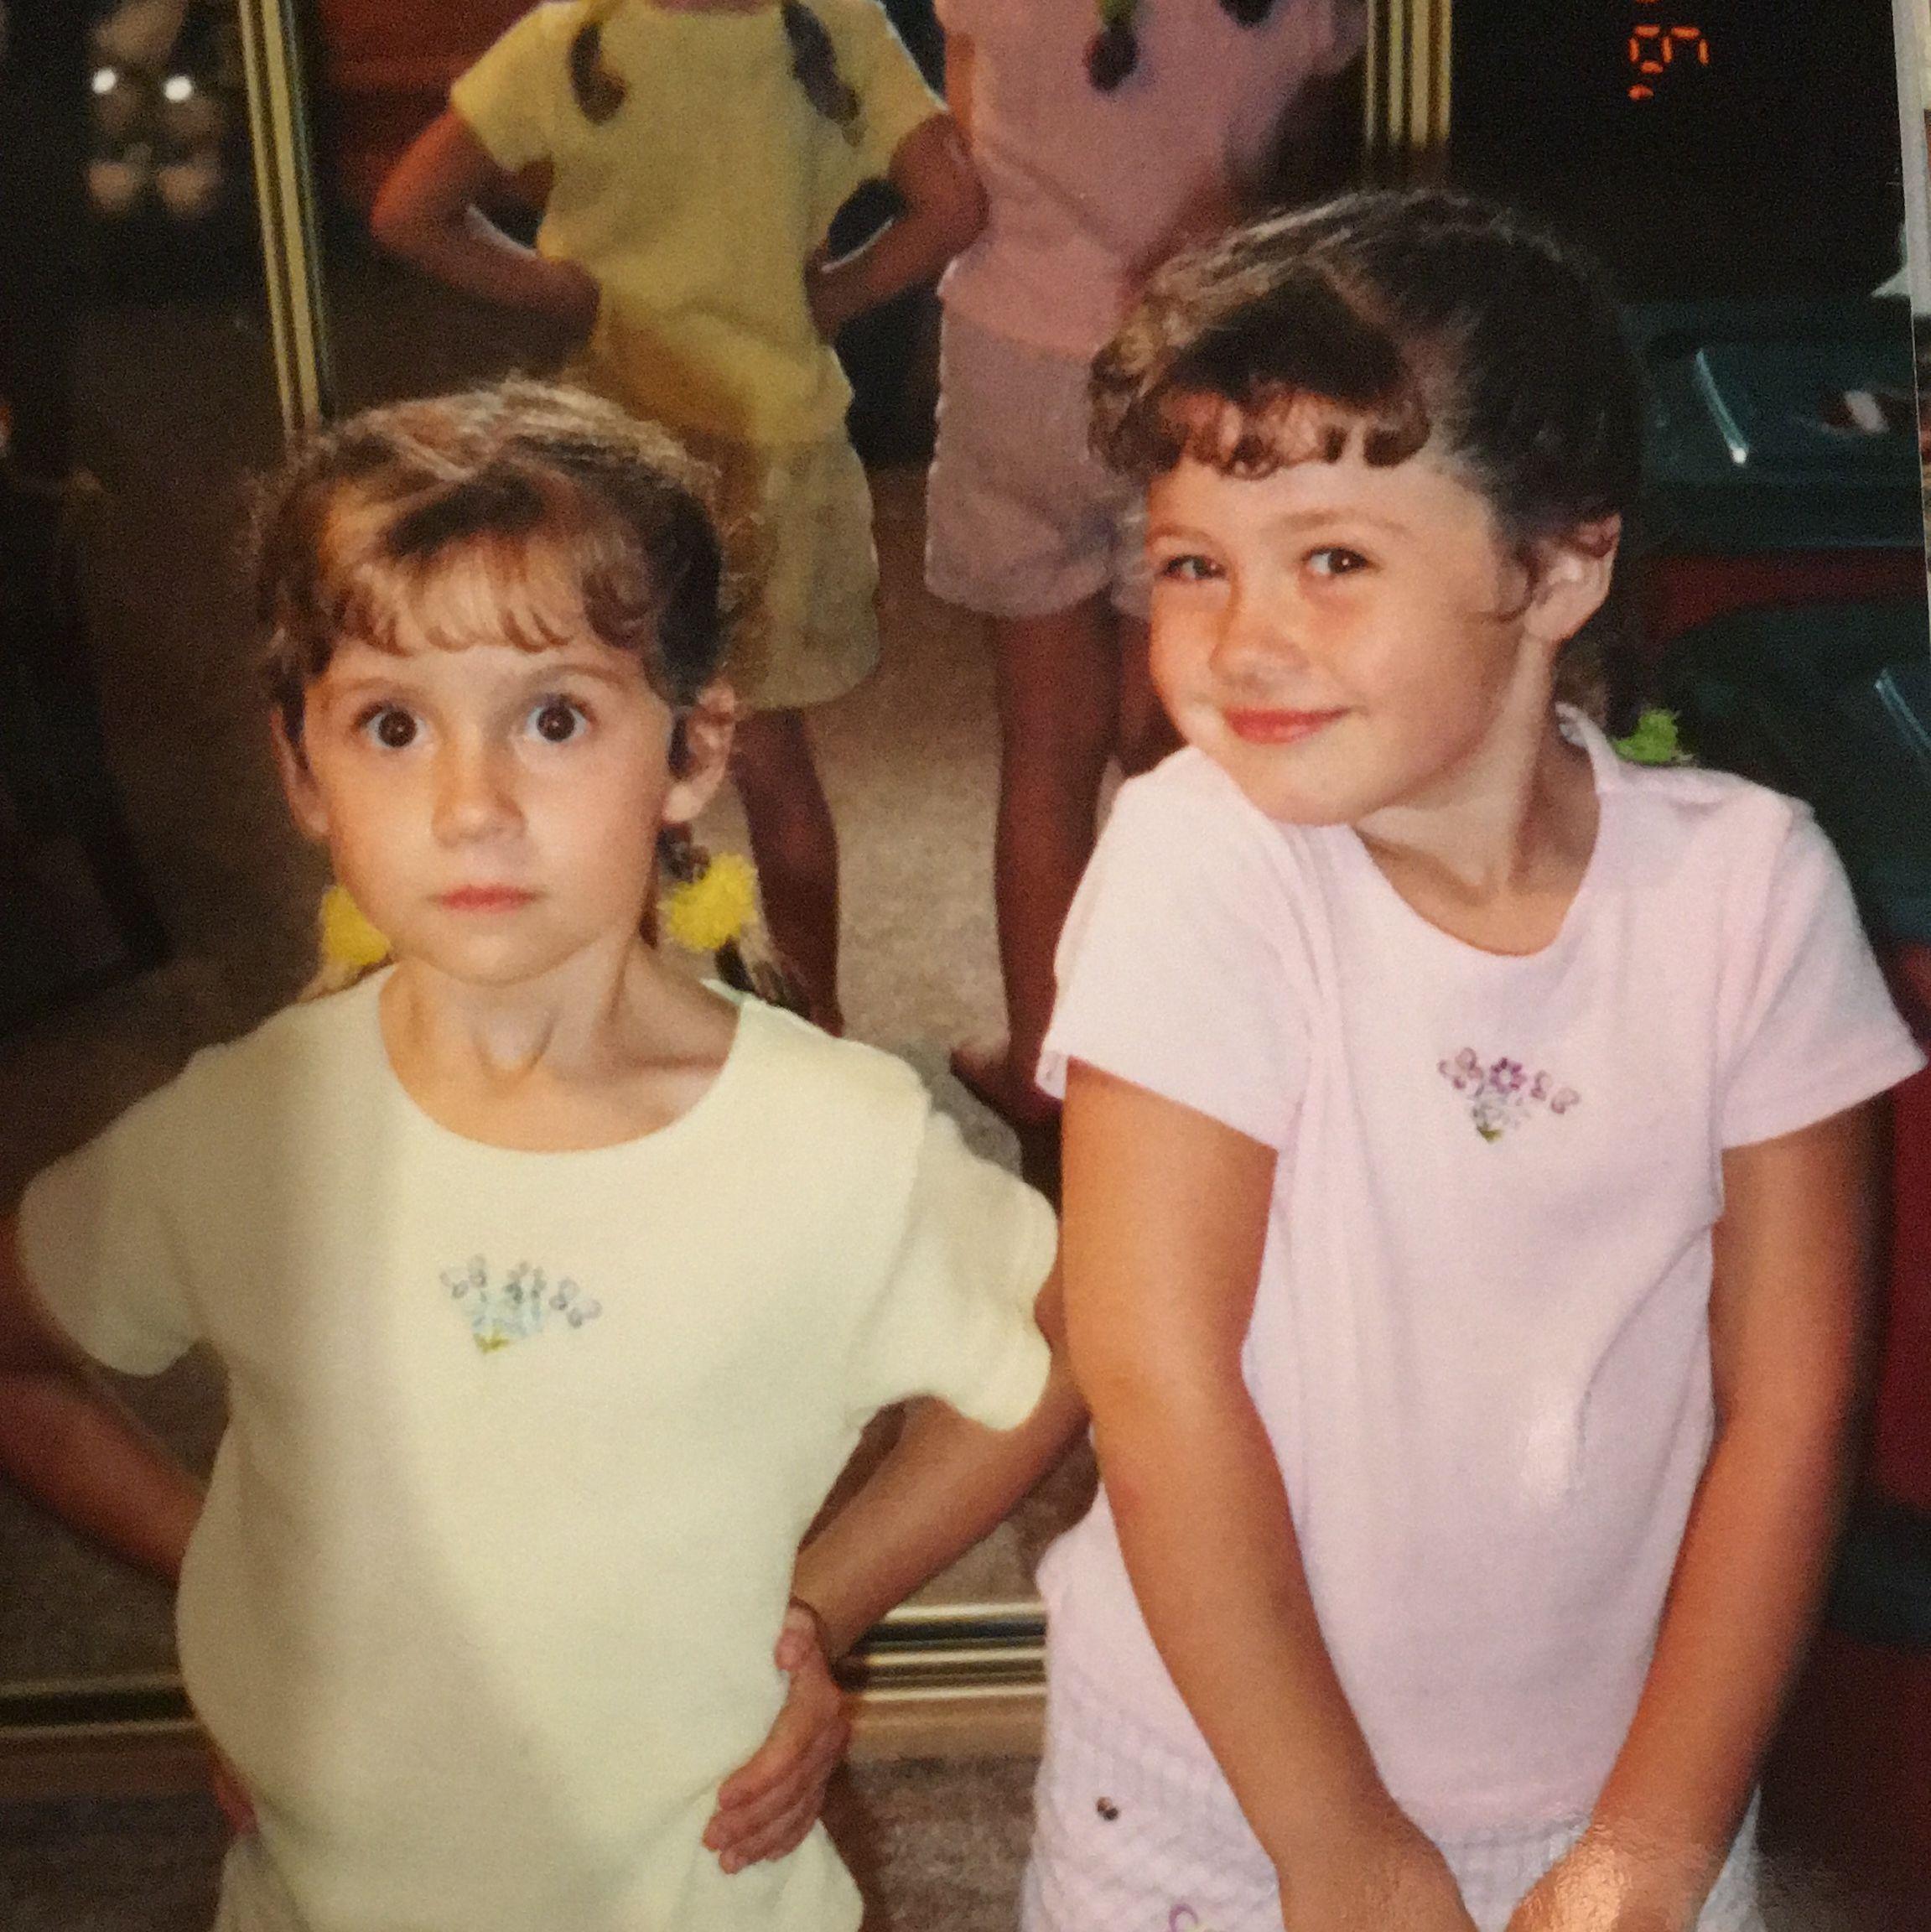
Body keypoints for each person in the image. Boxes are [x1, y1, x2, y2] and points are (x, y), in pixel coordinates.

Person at [0, 381, 1083, 1932]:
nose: (472, 806)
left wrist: (822, 1605)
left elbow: (1061, 1342)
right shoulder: (244, 1132)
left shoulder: (829, 1143)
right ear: (301, 770)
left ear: (693, 747)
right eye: (392, 725)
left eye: (554, 718)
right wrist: (232, 1597)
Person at [1025, 191, 1928, 1932]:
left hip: (1620, 1785)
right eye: (1193, 563)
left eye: (1331, 561)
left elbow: (1789, 1409)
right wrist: (1335, 1844)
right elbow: (1153, 1379)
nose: (1239, 637)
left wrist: (1649, 1848)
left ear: (1556, 568)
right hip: (1221, 1794)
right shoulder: (1198, 857)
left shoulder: (1747, 890)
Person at [372, 0, 989, 1033]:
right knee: (773, 764)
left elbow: (405, 211)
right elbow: (953, 205)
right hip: (774, 449)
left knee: (613, 757)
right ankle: (816, 1028)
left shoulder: (570, 33)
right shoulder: (833, 22)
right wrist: (834, 297)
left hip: (616, 459)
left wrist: (558, 292)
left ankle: (626, 1025)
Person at [927, 0, 1364, 1178]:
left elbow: (962, 132)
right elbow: (1298, 164)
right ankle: (1188, 1059)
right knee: (1173, 746)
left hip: (1011, 359)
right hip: (1193, 366)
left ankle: (1040, 1066)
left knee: (1042, 749)